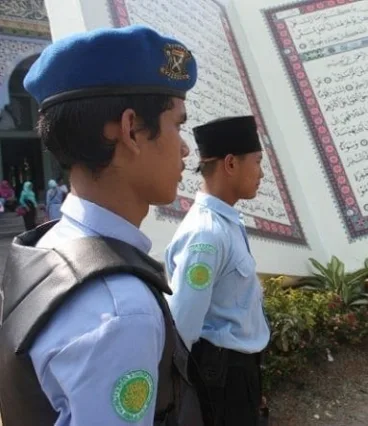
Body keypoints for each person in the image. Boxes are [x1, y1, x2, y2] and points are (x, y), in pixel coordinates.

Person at [0, 25, 210, 425]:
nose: (185, 148)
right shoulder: (120, 313)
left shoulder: (46, 243)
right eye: (177, 125)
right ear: (131, 129)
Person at [165, 115, 270, 425]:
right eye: (257, 161)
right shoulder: (206, 235)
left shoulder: (226, 223)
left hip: (238, 371)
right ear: (231, 164)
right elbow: (182, 326)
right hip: (221, 379)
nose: (261, 173)